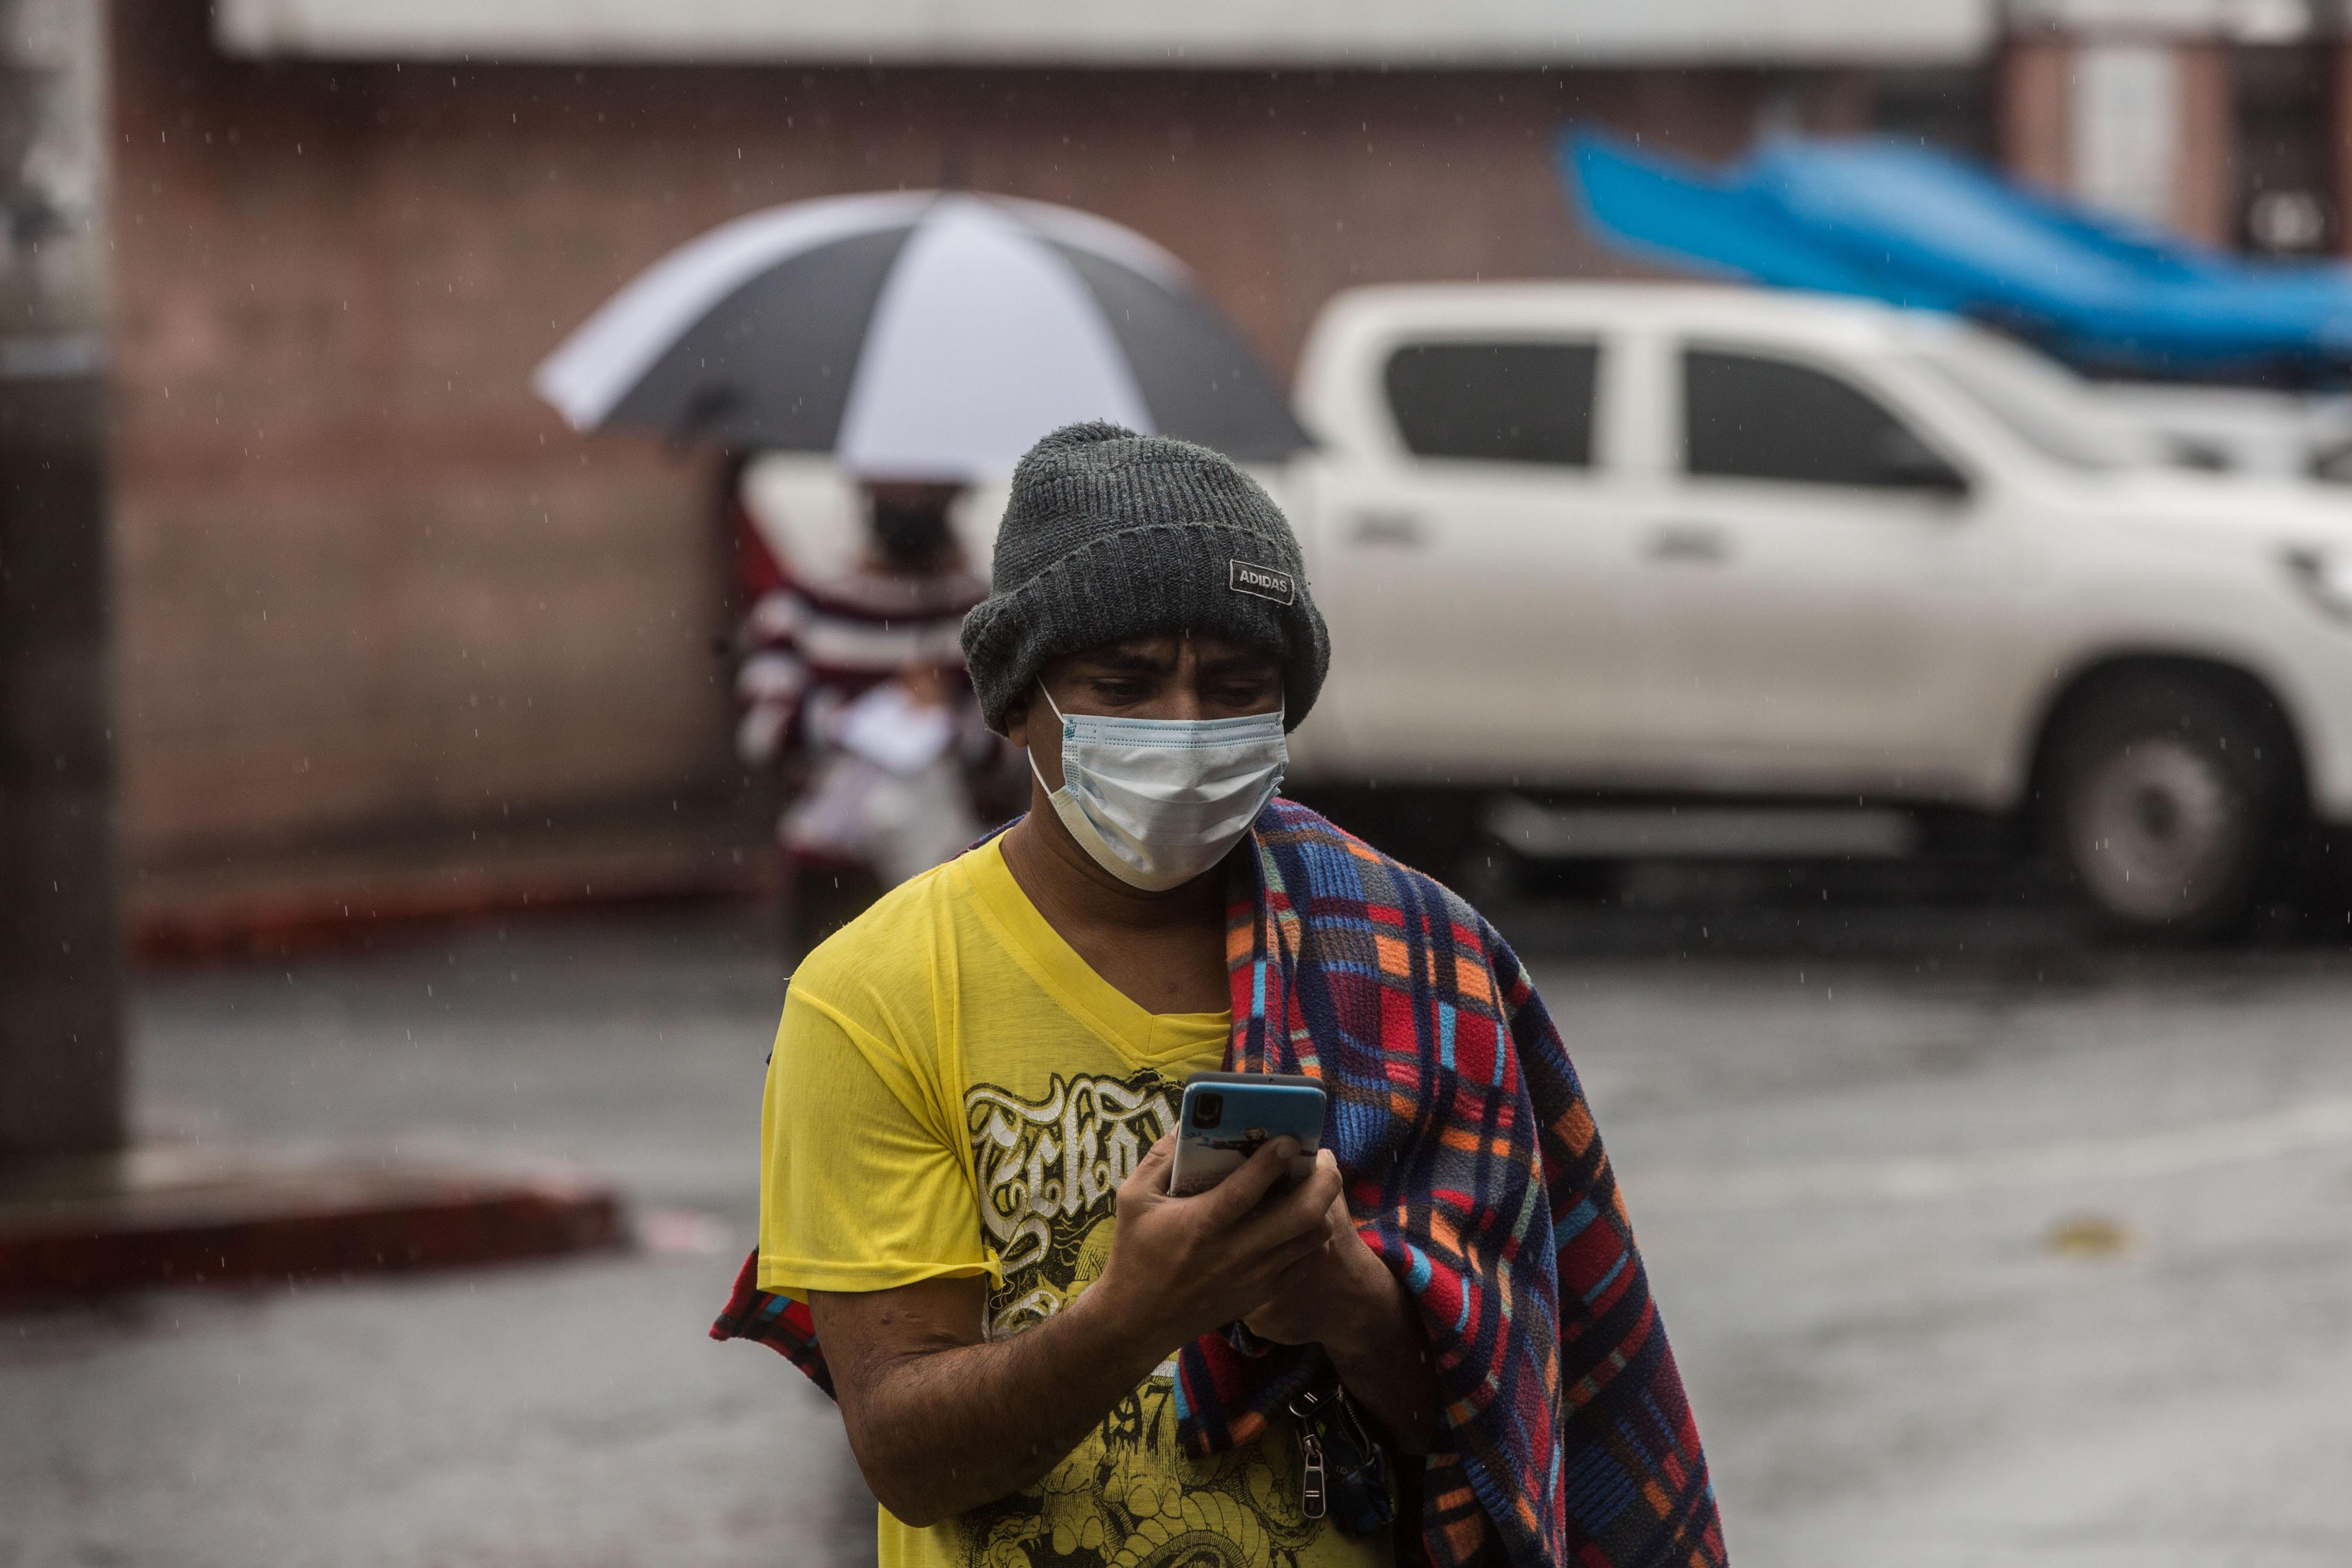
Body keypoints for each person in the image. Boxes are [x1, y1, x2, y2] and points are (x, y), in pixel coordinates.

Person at [715, 423, 1726, 1568]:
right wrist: (1135, 1313)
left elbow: (1502, 1433)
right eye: (1125, 686)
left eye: (1236, 689)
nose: (1185, 731)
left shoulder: (1415, 958)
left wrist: (1346, 1296)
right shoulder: (875, 993)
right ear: (1015, 701)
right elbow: (907, 1454)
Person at [732, 471, 1005, 951]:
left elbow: (1022, 753)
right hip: (832, 875)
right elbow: (762, 732)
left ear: (957, 488)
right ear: (863, 484)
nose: (912, 494)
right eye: (894, 479)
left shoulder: (989, 612)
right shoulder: (802, 605)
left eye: (927, 479)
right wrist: (866, 718)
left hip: (957, 875)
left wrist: (949, 720)